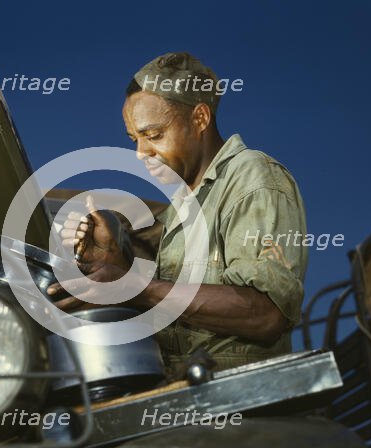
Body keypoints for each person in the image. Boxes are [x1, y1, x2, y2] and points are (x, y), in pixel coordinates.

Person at [47, 52, 308, 372]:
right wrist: (113, 266)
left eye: (154, 135)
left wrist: (137, 289)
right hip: (182, 389)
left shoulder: (253, 176)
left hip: (240, 400)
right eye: (134, 139)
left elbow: (266, 313)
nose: (141, 153)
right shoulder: (180, 211)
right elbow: (170, 308)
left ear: (200, 118)